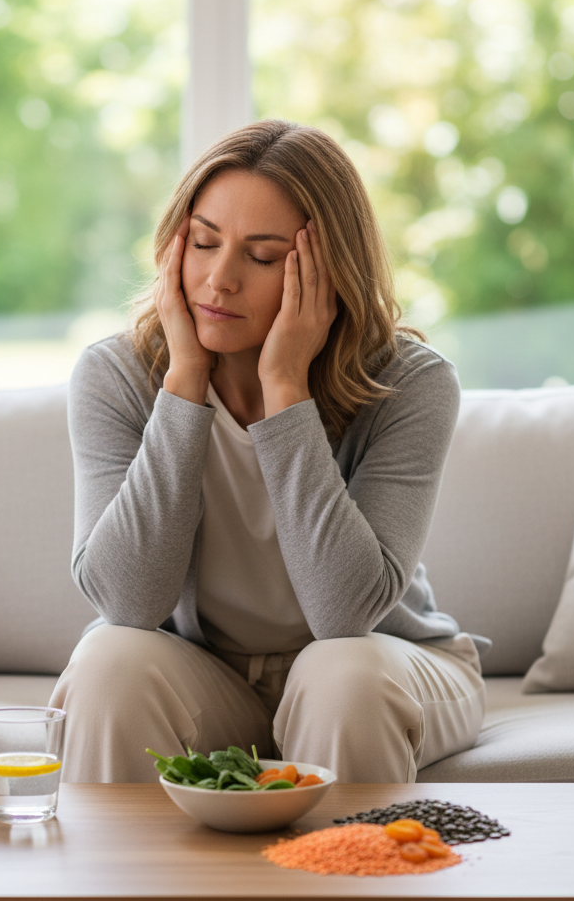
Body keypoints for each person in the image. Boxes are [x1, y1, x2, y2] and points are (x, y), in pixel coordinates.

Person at [50, 119, 487, 790]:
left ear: (329, 269)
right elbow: (125, 600)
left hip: (378, 666)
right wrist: (183, 386)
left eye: (261, 257)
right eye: (203, 242)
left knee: (338, 673)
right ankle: (127, 898)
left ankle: (344, 894)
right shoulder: (116, 376)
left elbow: (345, 614)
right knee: (110, 660)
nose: (218, 280)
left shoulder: (412, 384)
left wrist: (285, 389)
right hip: (209, 677)